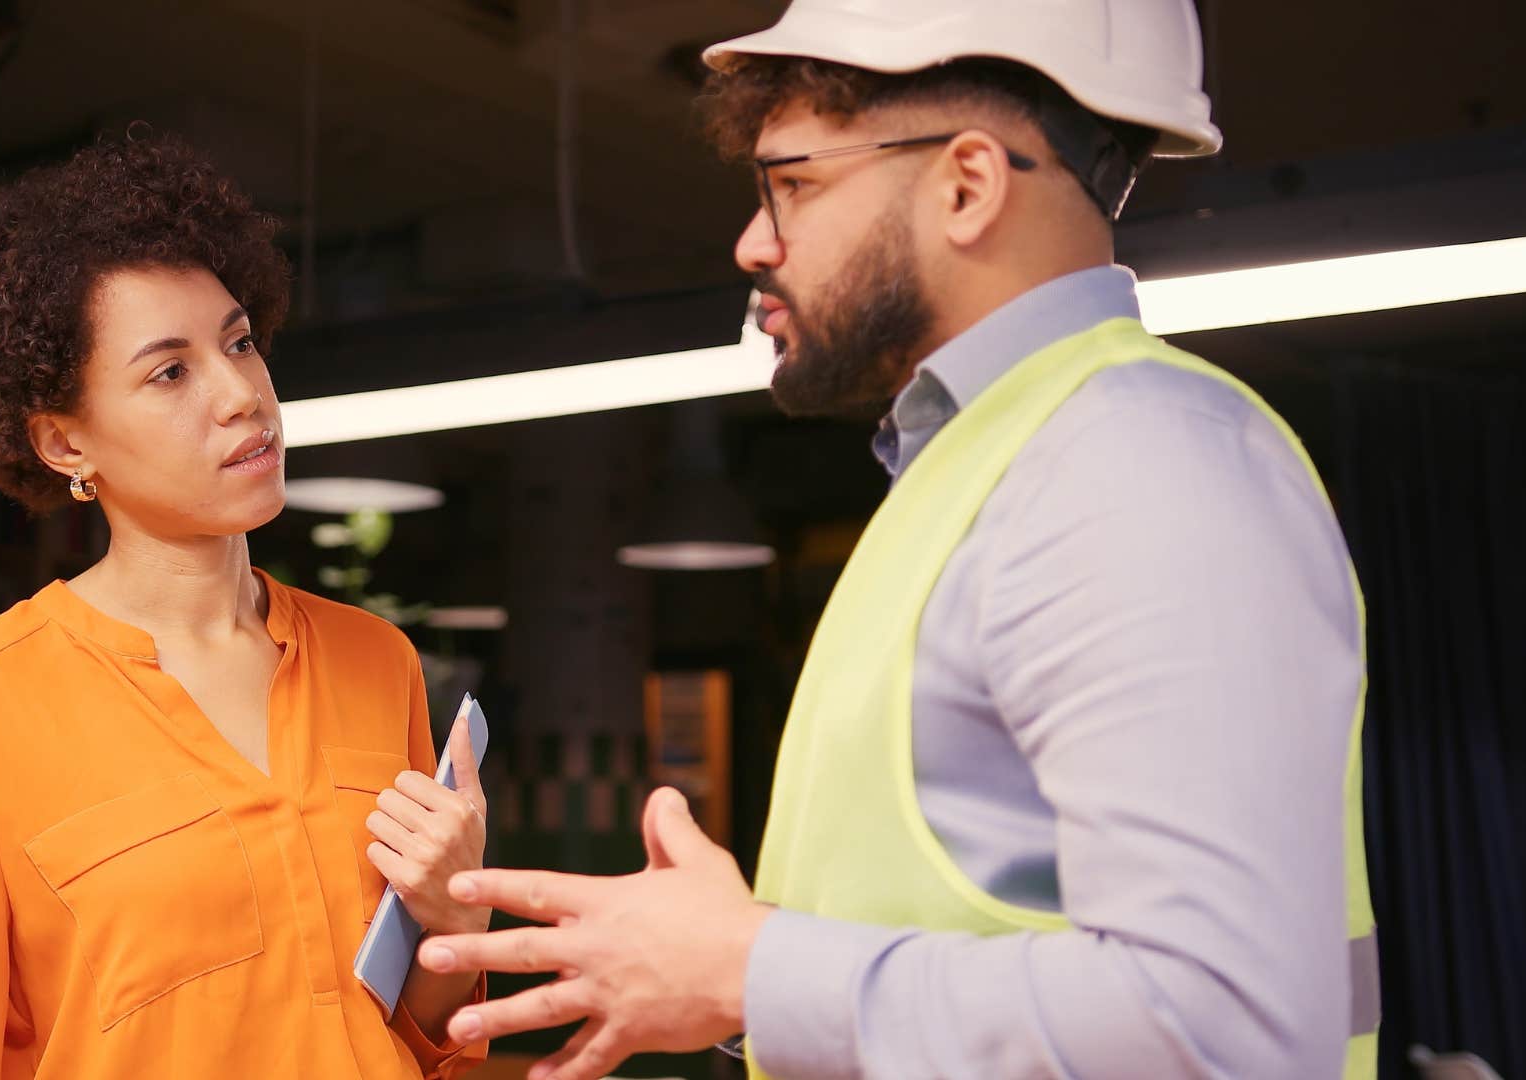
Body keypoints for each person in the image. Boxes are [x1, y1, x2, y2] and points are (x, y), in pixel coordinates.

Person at [416, 2, 1377, 1078]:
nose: (753, 241)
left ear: (967, 185)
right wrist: (726, 976)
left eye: (795, 184)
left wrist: (755, 969)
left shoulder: (1137, 464)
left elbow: (1221, 1028)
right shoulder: (983, 471)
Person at [0, 132, 491, 1079]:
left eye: (239, 342)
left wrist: (455, 918)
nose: (241, 396)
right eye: (169, 372)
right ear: (65, 444)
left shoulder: (376, 658)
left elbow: (420, 1041)